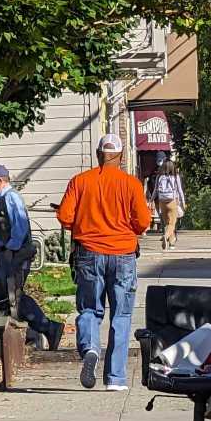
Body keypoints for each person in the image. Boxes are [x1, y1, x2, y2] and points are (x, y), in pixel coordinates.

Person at [56, 134, 151, 390]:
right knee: (121, 314)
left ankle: (90, 349)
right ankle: (116, 379)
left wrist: (84, 223)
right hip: (123, 254)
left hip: (88, 253)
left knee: (89, 309)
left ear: (99, 154)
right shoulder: (131, 184)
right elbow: (143, 222)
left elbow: (65, 217)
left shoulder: (80, 181)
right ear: (120, 157)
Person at [0, 164, 65, 351]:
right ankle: (29, 334)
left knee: (13, 297)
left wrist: (11, 250)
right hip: (5, 253)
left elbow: (19, 227)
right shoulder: (1, 199)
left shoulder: (11, 198)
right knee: (4, 298)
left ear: (0, 180)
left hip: (12, 254)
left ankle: (47, 328)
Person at [150, 156, 186, 250]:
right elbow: (180, 190)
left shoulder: (159, 176)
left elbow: (155, 190)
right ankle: (165, 237)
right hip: (172, 201)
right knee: (172, 223)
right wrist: (183, 202)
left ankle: (171, 243)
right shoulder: (175, 176)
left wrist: (151, 200)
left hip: (162, 200)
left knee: (167, 223)